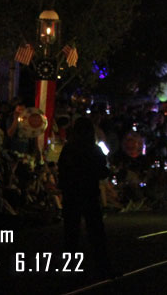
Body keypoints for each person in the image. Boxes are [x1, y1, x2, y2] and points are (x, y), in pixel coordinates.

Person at [58, 116, 111, 274]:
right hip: (89, 192)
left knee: (71, 231)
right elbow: (103, 171)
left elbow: (62, 169)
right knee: (95, 230)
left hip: (71, 193)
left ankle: (69, 265)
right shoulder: (93, 149)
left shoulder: (69, 148)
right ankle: (101, 263)